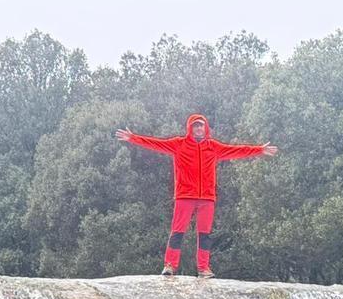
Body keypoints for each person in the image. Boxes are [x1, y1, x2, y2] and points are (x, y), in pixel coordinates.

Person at [116, 114, 277, 278]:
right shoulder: (179, 144)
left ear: (205, 128)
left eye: (201, 126)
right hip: (185, 195)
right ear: (190, 129)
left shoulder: (213, 147)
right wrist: (133, 138)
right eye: (195, 126)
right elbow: (156, 144)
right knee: (177, 231)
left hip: (207, 198)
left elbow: (236, 150)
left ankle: (203, 268)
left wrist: (259, 150)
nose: (198, 129)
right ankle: (170, 265)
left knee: (204, 234)